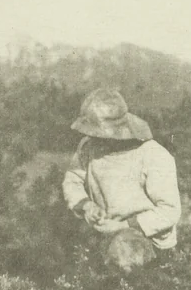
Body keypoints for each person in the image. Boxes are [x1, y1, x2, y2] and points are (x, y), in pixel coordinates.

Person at [61, 87, 182, 274]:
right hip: (107, 234)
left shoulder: (152, 155)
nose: (93, 138)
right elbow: (72, 180)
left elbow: (169, 211)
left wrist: (126, 225)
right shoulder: (88, 147)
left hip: (150, 244)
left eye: (98, 133)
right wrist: (87, 206)